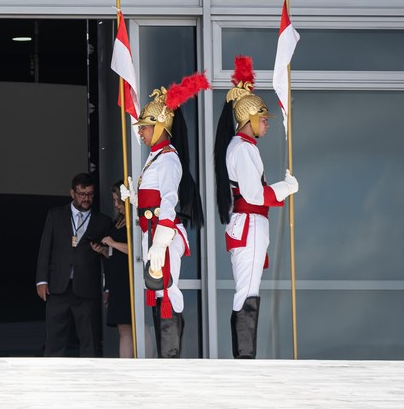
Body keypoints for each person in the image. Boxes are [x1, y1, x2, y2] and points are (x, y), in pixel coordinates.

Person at [213, 56, 299, 358]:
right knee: (247, 291)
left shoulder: (242, 147)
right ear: (247, 118)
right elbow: (254, 195)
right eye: (262, 118)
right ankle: (245, 357)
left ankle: (244, 355)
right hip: (249, 222)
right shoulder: (243, 148)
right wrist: (284, 189)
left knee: (248, 289)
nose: (266, 123)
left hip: (248, 223)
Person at [122, 74, 207, 358]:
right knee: (159, 291)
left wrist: (159, 243)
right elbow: (152, 199)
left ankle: (171, 357)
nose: (141, 133)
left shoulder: (169, 158)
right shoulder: (155, 156)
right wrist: (133, 197)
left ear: (160, 127)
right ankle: (165, 356)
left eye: (146, 128)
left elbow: (169, 201)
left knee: (168, 291)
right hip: (153, 230)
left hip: (164, 233)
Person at [36, 172, 113, 357]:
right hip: (57, 286)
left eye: (90, 194)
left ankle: (90, 378)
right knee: (54, 338)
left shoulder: (103, 221)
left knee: (90, 339)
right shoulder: (56, 215)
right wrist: (41, 281)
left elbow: (108, 259)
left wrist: (108, 287)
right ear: (72, 193)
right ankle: (52, 376)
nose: (86, 198)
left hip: (87, 288)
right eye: (82, 194)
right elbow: (45, 249)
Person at [96, 181, 134, 358]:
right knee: (123, 328)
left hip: (130, 280)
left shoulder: (137, 221)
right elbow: (115, 252)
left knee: (139, 326)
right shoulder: (118, 221)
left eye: (119, 201)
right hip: (116, 279)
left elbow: (135, 250)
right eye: (114, 201)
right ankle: (126, 366)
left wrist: (112, 243)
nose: (117, 205)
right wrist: (103, 250)